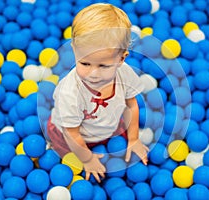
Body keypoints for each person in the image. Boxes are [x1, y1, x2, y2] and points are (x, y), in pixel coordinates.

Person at [47, 3, 148, 183]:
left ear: (121, 59)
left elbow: (132, 105)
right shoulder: (70, 92)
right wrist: (88, 159)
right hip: (69, 136)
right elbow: (72, 134)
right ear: (74, 50)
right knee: (64, 158)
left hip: (107, 123)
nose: (93, 74)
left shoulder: (125, 75)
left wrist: (134, 139)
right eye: (85, 63)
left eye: (103, 66)